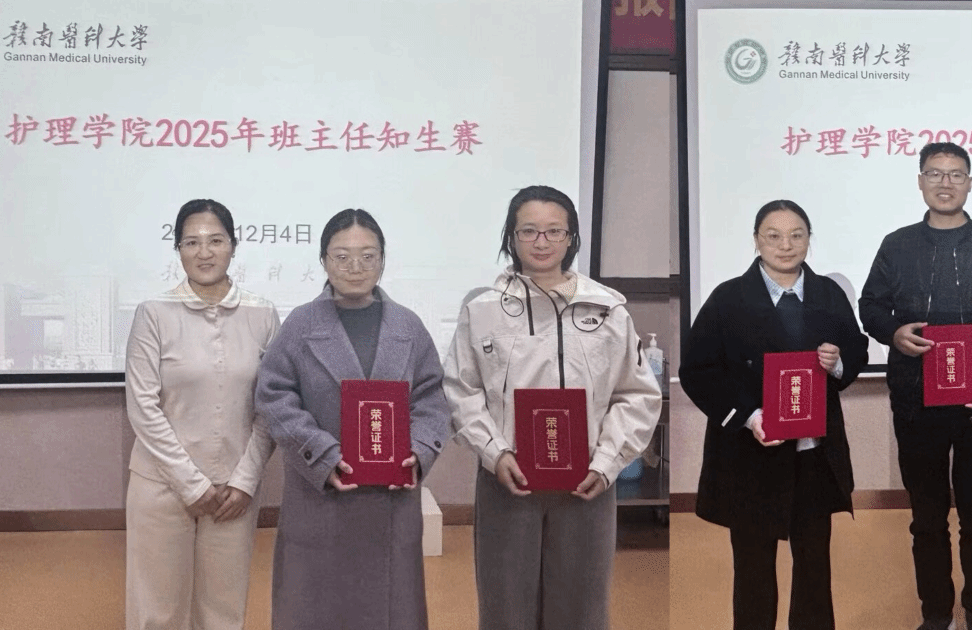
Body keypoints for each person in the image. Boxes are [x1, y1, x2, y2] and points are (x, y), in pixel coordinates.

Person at [443, 185, 660, 630]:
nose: (541, 242)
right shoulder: (482, 311)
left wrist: (606, 463)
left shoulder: (608, 310)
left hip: (587, 485)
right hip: (508, 482)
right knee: (506, 610)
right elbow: (462, 391)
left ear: (571, 237)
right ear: (511, 237)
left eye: (553, 231)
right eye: (528, 231)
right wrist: (495, 453)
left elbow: (636, 394)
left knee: (581, 611)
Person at [858, 142, 972, 630]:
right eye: (935, 173)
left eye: (956, 174)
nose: (945, 182)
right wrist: (893, 332)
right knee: (926, 517)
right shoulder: (897, 245)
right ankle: (935, 614)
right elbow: (870, 305)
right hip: (916, 403)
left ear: (970, 183)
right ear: (920, 181)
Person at [255, 209, 451, 630]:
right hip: (320, 496)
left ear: (383, 260)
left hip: (391, 501)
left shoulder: (409, 326)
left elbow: (432, 399)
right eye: (342, 257)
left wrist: (417, 451)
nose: (355, 267)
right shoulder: (300, 324)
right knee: (316, 608)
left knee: (390, 610)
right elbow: (274, 396)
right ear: (324, 260)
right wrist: (320, 454)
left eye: (367, 256)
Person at [682, 201, 866, 630]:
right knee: (753, 568)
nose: (786, 245)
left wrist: (838, 361)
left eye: (796, 235)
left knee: (814, 564)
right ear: (756, 240)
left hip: (814, 453)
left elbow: (855, 348)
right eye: (774, 235)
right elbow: (697, 370)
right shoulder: (728, 298)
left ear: (809, 239)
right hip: (750, 455)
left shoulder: (828, 293)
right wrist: (749, 417)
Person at [123, 199, 279, 630]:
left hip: (233, 491)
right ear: (177, 249)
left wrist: (246, 480)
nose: (204, 252)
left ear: (234, 245)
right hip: (161, 485)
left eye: (215, 241)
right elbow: (143, 406)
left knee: (223, 611)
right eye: (191, 242)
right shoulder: (153, 313)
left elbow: (272, 405)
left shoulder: (263, 314)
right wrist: (190, 484)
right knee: (157, 611)